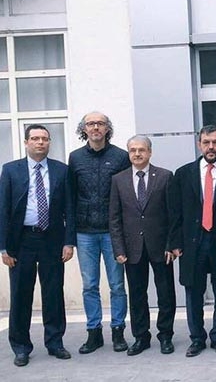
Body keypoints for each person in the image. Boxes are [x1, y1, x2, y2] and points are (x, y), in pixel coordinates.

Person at [0, 124, 75, 367]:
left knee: (53, 292)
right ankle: (21, 347)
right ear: (26, 142)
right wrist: (3, 248)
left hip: (52, 239)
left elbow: (69, 208)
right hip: (22, 240)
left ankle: (55, 342)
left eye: (44, 138)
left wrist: (69, 242)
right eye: (35, 138)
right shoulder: (10, 170)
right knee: (21, 294)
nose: (40, 142)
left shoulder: (61, 170)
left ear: (49, 142)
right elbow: (3, 209)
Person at [168, 125, 216, 357]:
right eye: (206, 142)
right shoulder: (183, 174)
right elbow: (175, 212)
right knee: (193, 292)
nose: (211, 147)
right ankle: (197, 338)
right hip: (192, 242)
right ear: (199, 145)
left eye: (215, 142)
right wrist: (174, 243)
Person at [69, 111, 131, 353]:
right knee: (90, 285)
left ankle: (118, 331)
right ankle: (93, 333)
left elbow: (127, 194)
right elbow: (71, 196)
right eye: (91, 124)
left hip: (112, 232)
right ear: (84, 129)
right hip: (84, 232)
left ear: (107, 128)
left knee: (117, 285)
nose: (95, 127)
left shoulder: (121, 157)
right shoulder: (75, 158)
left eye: (100, 123)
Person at [109, 135, 176, 356]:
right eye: (133, 150)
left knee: (165, 293)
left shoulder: (165, 176)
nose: (137, 154)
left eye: (141, 150)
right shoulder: (118, 180)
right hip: (132, 249)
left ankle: (165, 335)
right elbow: (114, 218)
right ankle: (141, 337)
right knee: (137, 295)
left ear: (150, 152)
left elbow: (173, 215)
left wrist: (171, 245)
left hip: (161, 247)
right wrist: (119, 249)